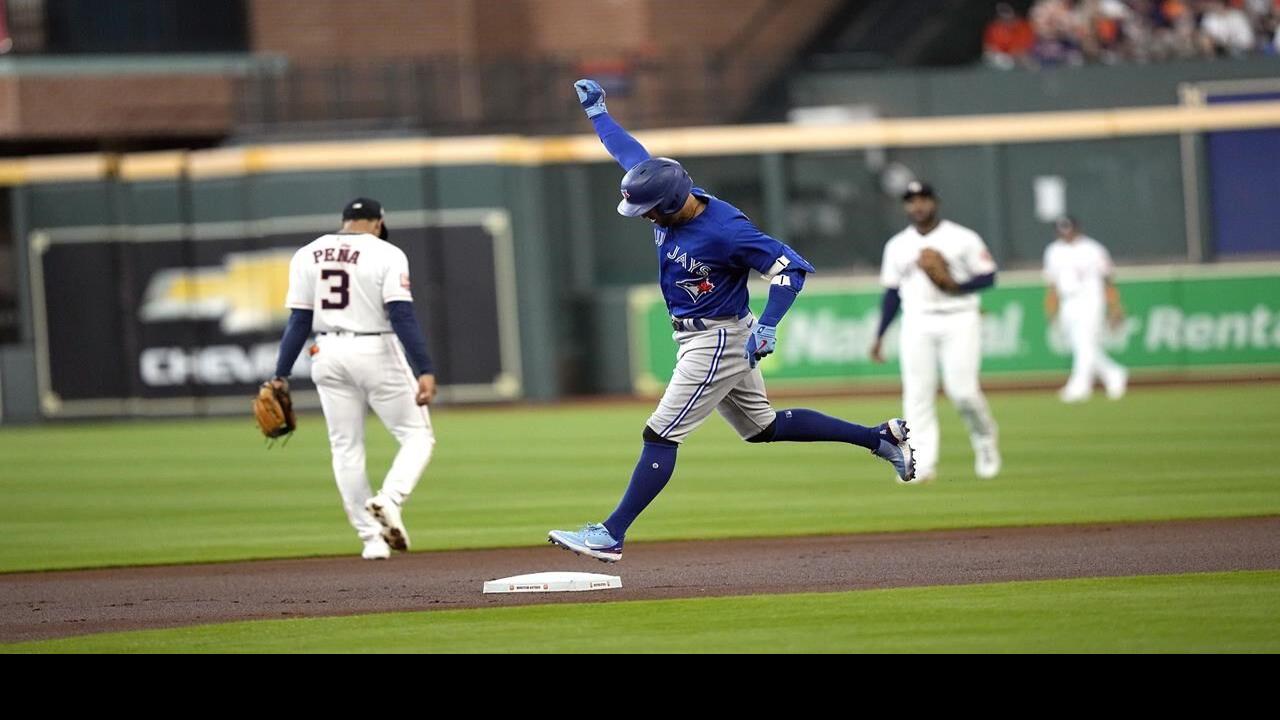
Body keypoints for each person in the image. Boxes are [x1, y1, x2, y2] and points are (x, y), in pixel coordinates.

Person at [546, 79, 915, 563]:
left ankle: (611, 534)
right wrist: (598, 114)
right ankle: (880, 438)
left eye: (648, 210)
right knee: (761, 428)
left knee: (660, 434)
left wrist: (769, 323)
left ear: (673, 203)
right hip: (707, 334)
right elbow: (629, 154)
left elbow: (790, 269)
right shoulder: (665, 194)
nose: (641, 216)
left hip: (717, 338)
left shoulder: (725, 230)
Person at [271, 198, 438, 560]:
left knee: (345, 447)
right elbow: (401, 316)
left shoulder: (307, 253)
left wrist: (280, 374)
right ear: (378, 222)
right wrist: (424, 367)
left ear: (344, 222)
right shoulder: (387, 253)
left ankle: (371, 540)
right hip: (375, 349)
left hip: (326, 353)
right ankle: (390, 499)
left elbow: (298, 321)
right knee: (418, 436)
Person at [870, 182, 1001, 483]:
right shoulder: (897, 245)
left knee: (964, 392)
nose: (917, 205)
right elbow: (891, 294)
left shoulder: (962, 238)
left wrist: (958, 286)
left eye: (923, 199)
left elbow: (989, 275)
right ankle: (921, 462)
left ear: (935, 202)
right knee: (917, 395)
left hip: (960, 318)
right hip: (917, 320)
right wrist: (879, 335)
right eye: (911, 200)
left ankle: (985, 440)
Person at [1043, 216, 1128, 403]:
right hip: (1067, 301)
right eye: (1061, 230)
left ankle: (1080, 386)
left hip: (1090, 298)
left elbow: (1108, 279)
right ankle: (1114, 373)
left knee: (1084, 342)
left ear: (1077, 229)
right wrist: (1051, 307)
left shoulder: (1093, 249)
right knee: (1081, 344)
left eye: (1068, 229)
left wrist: (1115, 306)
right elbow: (1052, 284)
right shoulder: (1053, 251)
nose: (1065, 233)